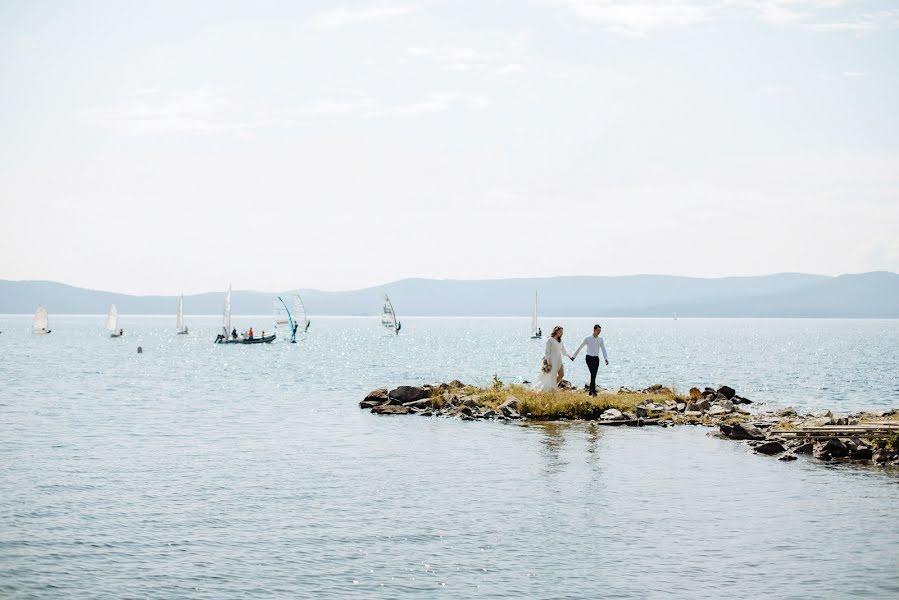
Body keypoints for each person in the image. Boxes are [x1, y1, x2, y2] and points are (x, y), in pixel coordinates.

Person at [571, 324, 609, 396]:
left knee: (594, 374)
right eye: (598, 330)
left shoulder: (600, 339)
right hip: (589, 358)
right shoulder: (587, 338)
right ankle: (593, 391)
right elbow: (580, 347)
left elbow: (603, 349)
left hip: (596, 359)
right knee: (593, 373)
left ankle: (591, 391)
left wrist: (606, 359)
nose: (599, 332)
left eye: (600, 331)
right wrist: (574, 356)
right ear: (594, 330)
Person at [534, 325, 573, 391]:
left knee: (561, 374)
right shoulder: (550, 340)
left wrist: (570, 356)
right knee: (551, 376)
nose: (561, 333)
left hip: (559, 360)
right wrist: (548, 363)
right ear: (556, 331)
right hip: (552, 360)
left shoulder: (560, 341)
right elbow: (547, 352)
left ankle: (554, 386)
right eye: (560, 331)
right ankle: (550, 389)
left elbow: (564, 351)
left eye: (562, 332)